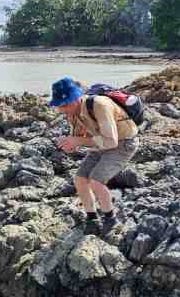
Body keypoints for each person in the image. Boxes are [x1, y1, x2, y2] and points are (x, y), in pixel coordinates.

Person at [50, 76, 139, 235]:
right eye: (59, 106)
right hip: (100, 143)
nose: (62, 110)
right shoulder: (72, 111)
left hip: (123, 144)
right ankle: (92, 218)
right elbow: (79, 138)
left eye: (65, 105)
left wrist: (77, 140)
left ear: (76, 99)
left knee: (96, 180)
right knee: (80, 179)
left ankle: (110, 219)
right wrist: (70, 145)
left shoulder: (99, 105)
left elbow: (111, 142)